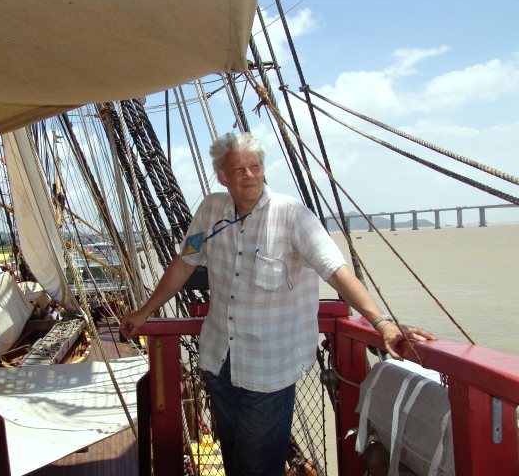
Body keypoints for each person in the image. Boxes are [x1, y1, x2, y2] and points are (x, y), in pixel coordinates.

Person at [120, 132, 436, 476]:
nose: (249, 175)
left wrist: (383, 323)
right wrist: (144, 313)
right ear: (223, 177)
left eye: (254, 166)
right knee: (235, 459)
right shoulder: (211, 210)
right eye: (238, 169)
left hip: (268, 370)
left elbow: (336, 271)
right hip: (218, 360)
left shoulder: (292, 216)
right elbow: (185, 262)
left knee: (261, 466)